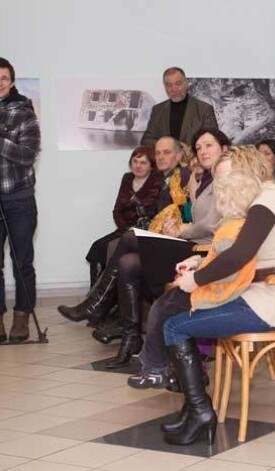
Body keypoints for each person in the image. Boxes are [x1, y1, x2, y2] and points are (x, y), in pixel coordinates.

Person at [156, 147, 275, 446]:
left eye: (226, 179)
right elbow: (235, 254)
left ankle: (200, 413)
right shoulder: (267, 199)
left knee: (174, 326)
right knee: (179, 319)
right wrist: (199, 264)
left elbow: (239, 255)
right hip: (265, 295)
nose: (221, 188)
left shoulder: (266, 203)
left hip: (272, 302)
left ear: (245, 173)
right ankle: (194, 410)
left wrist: (196, 280)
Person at [58, 136, 190, 329]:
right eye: (158, 152)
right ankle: (122, 325)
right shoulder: (165, 178)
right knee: (124, 257)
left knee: (125, 240)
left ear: (179, 155)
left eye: (167, 152)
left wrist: (183, 227)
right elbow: (119, 209)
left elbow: (184, 214)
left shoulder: (183, 176)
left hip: (177, 240)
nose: (161, 157)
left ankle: (97, 306)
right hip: (158, 234)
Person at [0, 57, 41, 343]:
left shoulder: (24, 112)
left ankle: (22, 316)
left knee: (22, 261)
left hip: (19, 199)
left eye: (3, 78)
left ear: (12, 82)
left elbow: (28, 154)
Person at [85, 146, 162, 287]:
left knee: (114, 250)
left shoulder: (157, 182)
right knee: (97, 248)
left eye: (143, 162)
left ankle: (108, 298)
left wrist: (133, 230)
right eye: (135, 161)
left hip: (144, 231)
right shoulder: (127, 179)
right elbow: (117, 210)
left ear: (151, 165)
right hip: (124, 228)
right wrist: (125, 228)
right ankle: (94, 294)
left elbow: (156, 213)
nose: (138, 166)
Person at [141, 67, 218, 147]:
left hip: (192, 158)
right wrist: (168, 146)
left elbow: (212, 140)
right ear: (165, 87)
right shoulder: (157, 110)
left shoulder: (204, 109)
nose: (174, 89)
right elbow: (146, 140)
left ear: (186, 84)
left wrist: (188, 150)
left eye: (178, 83)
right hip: (165, 159)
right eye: (169, 85)